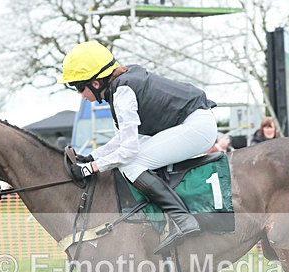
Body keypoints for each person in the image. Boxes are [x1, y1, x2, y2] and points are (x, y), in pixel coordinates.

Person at [59, 40, 217, 255]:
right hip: (193, 122)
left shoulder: (122, 92)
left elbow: (128, 151)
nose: (81, 95)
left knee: (131, 164)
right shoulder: (121, 86)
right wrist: (91, 157)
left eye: (79, 88)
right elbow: (123, 139)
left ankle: (183, 220)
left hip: (197, 126)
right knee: (131, 159)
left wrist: (91, 168)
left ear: (95, 83)